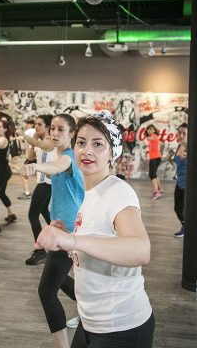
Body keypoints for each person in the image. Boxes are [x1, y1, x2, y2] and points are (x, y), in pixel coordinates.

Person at [36, 111, 154, 348]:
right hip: (92, 323)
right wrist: (68, 240)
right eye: (81, 142)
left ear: (113, 153)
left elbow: (141, 250)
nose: (86, 150)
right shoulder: (92, 194)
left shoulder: (117, 191)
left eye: (98, 144)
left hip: (121, 328)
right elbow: (97, 246)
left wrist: (73, 241)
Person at [22, 113, 84, 348]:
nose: (55, 133)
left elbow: (58, 167)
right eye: (53, 129)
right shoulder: (59, 149)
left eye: (61, 130)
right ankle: (88, 305)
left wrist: (35, 166)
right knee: (56, 282)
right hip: (63, 230)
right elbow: (42, 144)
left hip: (69, 234)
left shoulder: (68, 158)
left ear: (72, 133)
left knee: (46, 291)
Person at [21, 114, 56, 265]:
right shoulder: (40, 142)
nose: (36, 127)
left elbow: (40, 145)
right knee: (44, 212)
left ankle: (40, 250)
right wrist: (33, 141)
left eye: (39, 124)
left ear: (48, 127)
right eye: (35, 124)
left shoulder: (50, 141)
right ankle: (59, 238)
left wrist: (22, 134)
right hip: (42, 182)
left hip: (48, 183)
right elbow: (30, 157)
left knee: (32, 215)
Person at [172, 123, 187, 237]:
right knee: (177, 208)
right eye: (179, 132)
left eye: (184, 133)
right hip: (179, 181)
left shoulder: (192, 147)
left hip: (189, 183)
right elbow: (177, 163)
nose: (181, 135)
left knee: (187, 209)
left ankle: (189, 229)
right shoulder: (179, 146)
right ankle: (185, 227)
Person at [18, 118, 36, 200]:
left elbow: (22, 138)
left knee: (23, 172)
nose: (26, 125)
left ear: (32, 124)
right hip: (35, 154)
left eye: (28, 123)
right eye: (26, 123)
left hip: (33, 155)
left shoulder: (30, 130)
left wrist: (13, 138)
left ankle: (27, 193)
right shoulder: (34, 131)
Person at [145, 124, 162, 199]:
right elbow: (153, 146)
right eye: (148, 129)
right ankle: (159, 189)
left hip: (155, 158)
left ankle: (156, 192)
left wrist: (147, 136)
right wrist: (148, 152)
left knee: (152, 174)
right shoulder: (154, 137)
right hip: (156, 157)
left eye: (151, 129)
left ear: (154, 130)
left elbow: (150, 138)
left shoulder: (154, 135)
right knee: (153, 174)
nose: (149, 130)